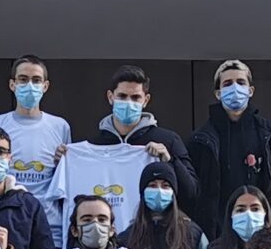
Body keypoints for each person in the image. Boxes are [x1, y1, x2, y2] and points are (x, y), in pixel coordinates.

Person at [76, 65, 198, 212]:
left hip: (147, 225)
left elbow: (192, 193)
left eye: (135, 98)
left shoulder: (168, 140)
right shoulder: (93, 145)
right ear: (110, 97)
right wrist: (66, 156)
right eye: (122, 96)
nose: (128, 103)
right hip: (106, 225)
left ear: (146, 100)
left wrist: (171, 161)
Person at [188, 59, 271, 222]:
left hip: (261, 222)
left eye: (240, 82)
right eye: (227, 84)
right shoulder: (201, 140)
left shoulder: (268, 134)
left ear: (250, 91)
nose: (235, 88)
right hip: (217, 227)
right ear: (218, 94)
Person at [0, 56, 73, 222]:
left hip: (50, 222)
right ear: (12, 84)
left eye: (36, 80)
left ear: (45, 86)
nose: (30, 86)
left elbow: (68, 178)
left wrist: (63, 162)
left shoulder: (60, 126)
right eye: (23, 79)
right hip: (7, 220)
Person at [121, 160, 206, 249]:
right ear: (143, 193)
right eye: (152, 185)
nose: (159, 191)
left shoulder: (192, 234)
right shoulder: (127, 237)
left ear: (173, 193)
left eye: (165, 186)